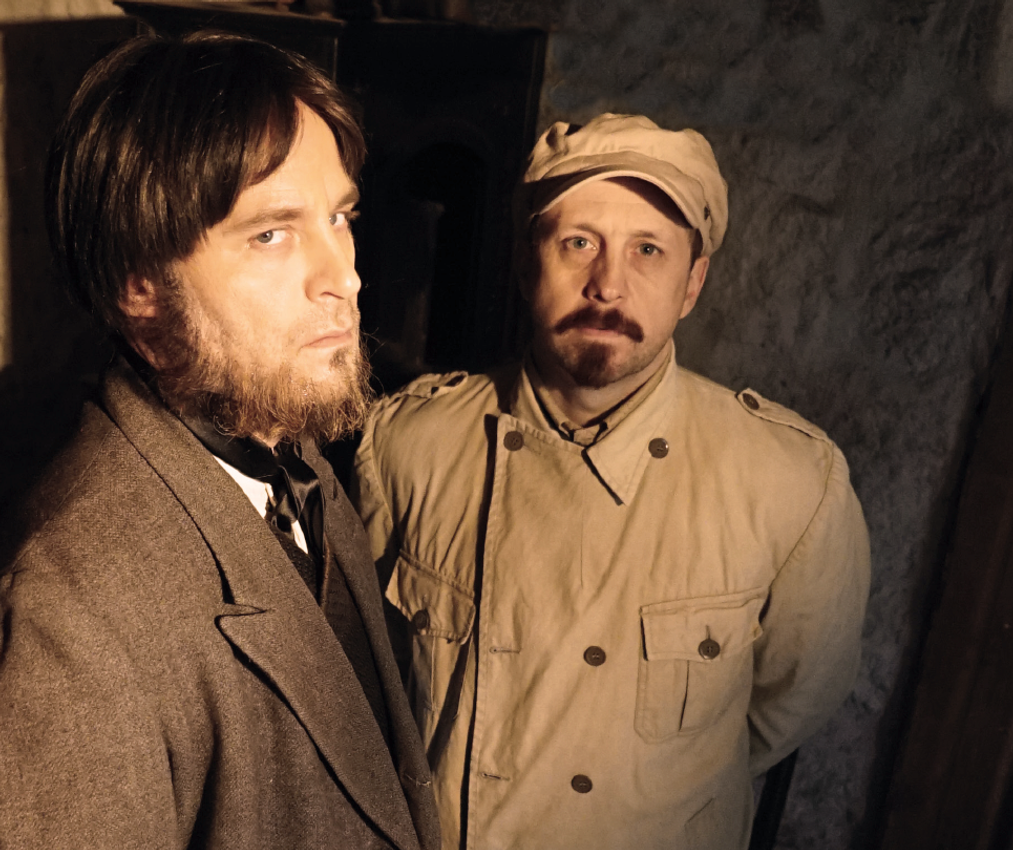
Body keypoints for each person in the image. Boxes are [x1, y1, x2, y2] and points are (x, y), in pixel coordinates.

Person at [0, 32, 439, 849]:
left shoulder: (293, 456)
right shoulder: (67, 617)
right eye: (271, 234)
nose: (345, 277)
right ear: (139, 286)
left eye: (339, 217)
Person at [353, 114, 871, 849]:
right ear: (526, 262)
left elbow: (791, 700)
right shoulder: (408, 444)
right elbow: (368, 678)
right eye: (578, 243)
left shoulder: (790, 484)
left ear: (692, 283)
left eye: (647, 250)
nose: (607, 285)